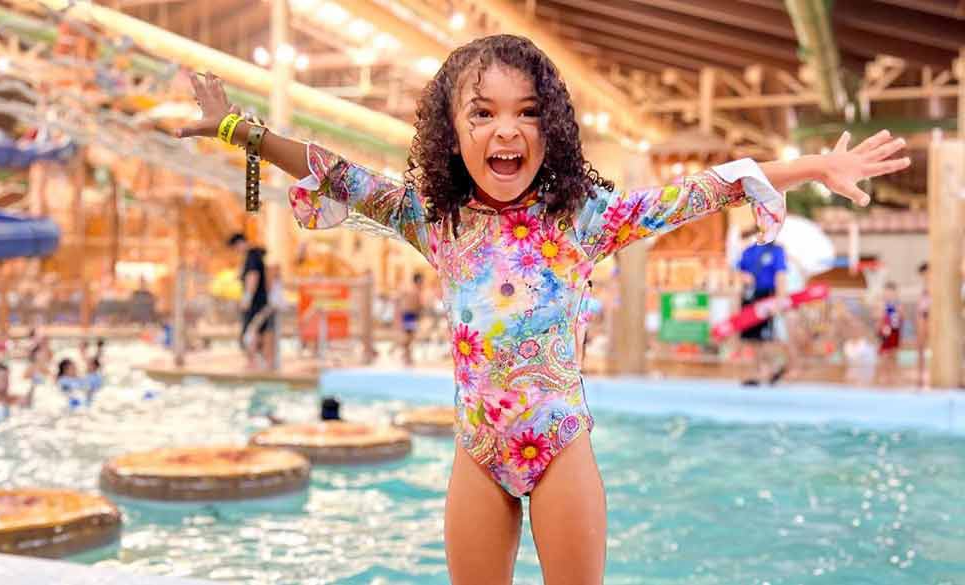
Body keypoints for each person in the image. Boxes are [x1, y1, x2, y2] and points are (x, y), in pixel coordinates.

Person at [177, 34, 909, 585]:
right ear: (452, 133)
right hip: (478, 451)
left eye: (527, 112)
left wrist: (813, 165)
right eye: (484, 112)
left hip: (560, 449)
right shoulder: (437, 219)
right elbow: (333, 172)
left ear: (549, 127)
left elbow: (704, 188)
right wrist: (238, 129)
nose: (506, 130)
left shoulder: (583, 221)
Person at [737, 238, 790, 385]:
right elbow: (738, 271)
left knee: (767, 338)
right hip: (751, 296)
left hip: (768, 297)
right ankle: (763, 370)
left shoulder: (776, 250)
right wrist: (744, 277)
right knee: (754, 338)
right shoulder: (748, 251)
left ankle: (772, 369)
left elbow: (781, 276)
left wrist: (779, 301)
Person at [227, 233, 275, 369]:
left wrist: (247, 297)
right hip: (262, 300)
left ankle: (253, 361)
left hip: (255, 302)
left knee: (251, 331)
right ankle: (264, 361)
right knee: (261, 331)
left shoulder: (251, 256)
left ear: (239, 244)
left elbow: (252, 276)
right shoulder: (256, 255)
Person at [876, 281, 903, 385]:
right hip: (885, 330)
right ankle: (883, 374)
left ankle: (893, 374)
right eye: (887, 293)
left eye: (891, 294)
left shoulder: (898, 304)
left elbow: (901, 317)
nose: (889, 296)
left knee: (893, 352)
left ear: (895, 294)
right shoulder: (882, 304)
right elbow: (878, 317)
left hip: (895, 331)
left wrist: (897, 311)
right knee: (884, 353)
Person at [398, 273, 425, 366]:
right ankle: (406, 355)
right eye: (422, 281)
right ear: (418, 281)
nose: (423, 283)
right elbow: (415, 305)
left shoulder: (413, 290)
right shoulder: (414, 291)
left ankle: (406, 355)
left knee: (409, 336)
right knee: (409, 336)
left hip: (410, 315)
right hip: (410, 315)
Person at [915, 262, 929, 386]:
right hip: (923, 314)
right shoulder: (925, 287)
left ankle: (924, 372)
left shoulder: (935, 284)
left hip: (930, 315)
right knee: (920, 346)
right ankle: (920, 372)